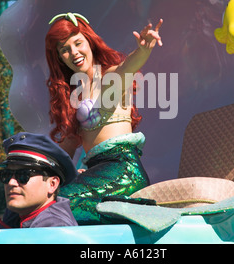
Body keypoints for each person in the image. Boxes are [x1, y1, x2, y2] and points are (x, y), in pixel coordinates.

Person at [45, 12, 163, 224]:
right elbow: (61, 154)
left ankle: (134, 213)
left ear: (90, 42)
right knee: (45, 204)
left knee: (60, 205)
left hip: (123, 169)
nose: (73, 52)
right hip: (97, 172)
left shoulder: (110, 77)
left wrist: (143, 50)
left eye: (78, 43)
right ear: (59, 58)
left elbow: (128, 67)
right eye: (64, 49)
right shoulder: (74, 98)